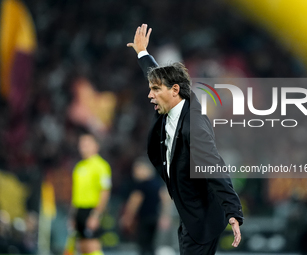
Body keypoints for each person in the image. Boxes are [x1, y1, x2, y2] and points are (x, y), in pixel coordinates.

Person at [127, 24, 243, 255]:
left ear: (175, 90)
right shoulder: (172, 103)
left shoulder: (194, 127)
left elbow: (215, 169)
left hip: (202, 219)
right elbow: (155, 74)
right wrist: (142, 53)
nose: (150, 94)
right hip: (188, 210)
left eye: (155, 90)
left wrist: (233, 213)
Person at [69, 132, 111, 255]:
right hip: (79, 210)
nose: (83, 146)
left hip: (92, 209)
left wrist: (96, 215)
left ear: (96, 146)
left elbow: (105, 192)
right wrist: (73, 215)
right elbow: (75, 193)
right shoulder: (78, 166)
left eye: (87, 143)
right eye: (81, 144)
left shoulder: (101, 166)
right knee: (81, 246)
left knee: (92, 246)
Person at [120, 157, 171, 255]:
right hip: (154, 217)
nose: (134, 173)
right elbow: (165, 199)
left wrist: (128, 217)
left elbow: (134, 202)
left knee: (143, 245)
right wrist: (165, 216)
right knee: (151, 245)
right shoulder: (157, 183)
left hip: (143, 219)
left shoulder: (141, 185)